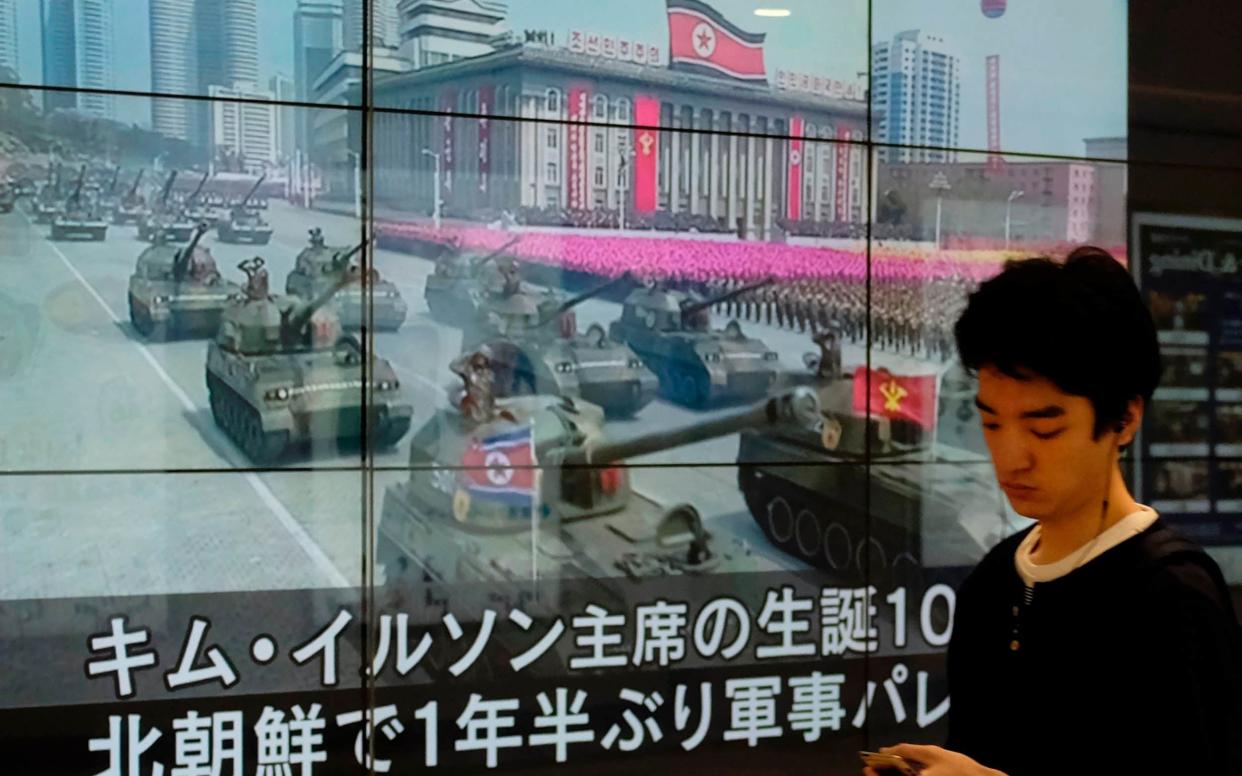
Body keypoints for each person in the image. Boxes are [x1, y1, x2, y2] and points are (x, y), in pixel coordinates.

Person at [864, 247, 1241, 776]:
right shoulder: (993, 581)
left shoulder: (1170, 596)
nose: (1012, 455)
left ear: (1125, 418)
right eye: (992, 423)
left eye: (1045, 428)